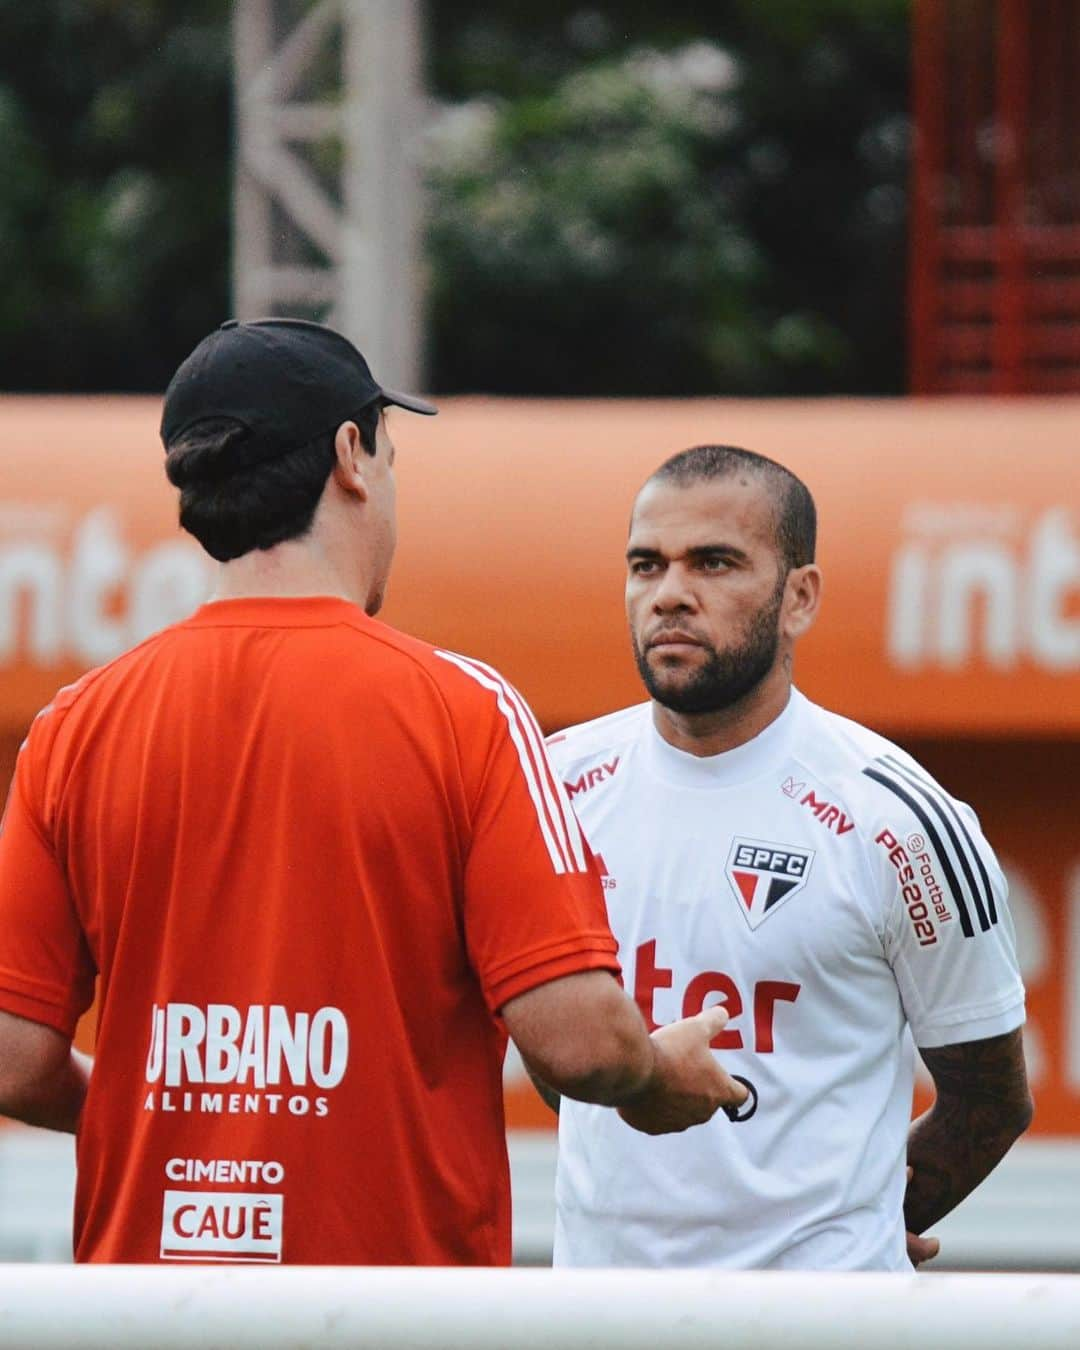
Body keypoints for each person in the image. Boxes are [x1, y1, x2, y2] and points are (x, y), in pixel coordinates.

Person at [0, 320, 744, 1266]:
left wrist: (169, 1120)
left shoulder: (77, 724)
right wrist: (653, 1077)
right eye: (390, 453)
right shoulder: (465, 711)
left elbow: (13, 1061)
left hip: (151, 1302)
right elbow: (583, 1043)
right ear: (352, 456)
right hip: (395, 1305)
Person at [543, 444, 1032, 1271]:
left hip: (822, 1322)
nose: (670, 594)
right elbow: (561, 1061)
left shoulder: (899, 820)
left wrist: (877, 1218)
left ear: (799, 597)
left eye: (715, 563)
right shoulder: (553, 789)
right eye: (646, 565)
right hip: (601, 1316)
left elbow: (989, 1096)